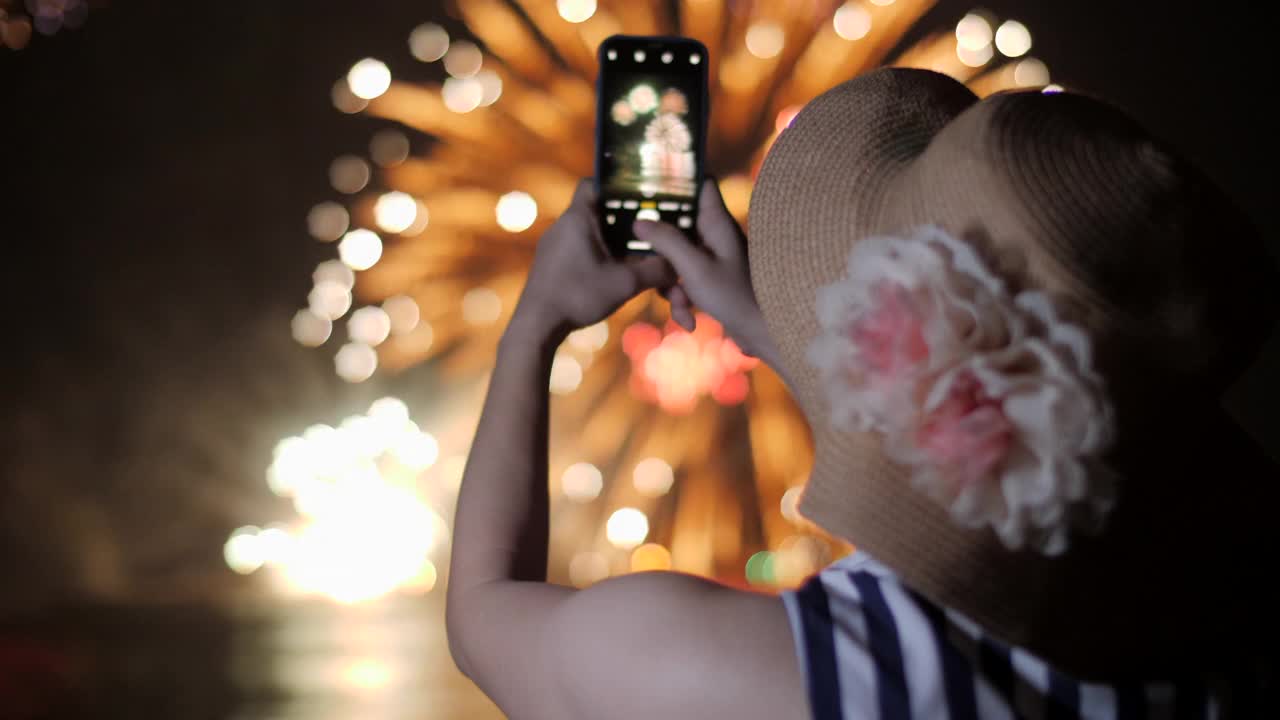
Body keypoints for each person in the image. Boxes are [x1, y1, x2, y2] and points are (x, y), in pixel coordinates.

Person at [445, 68, 1279, 719]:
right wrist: (781, 336)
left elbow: (484, 615)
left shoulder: (738, 667)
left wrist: (536, 325)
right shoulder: (1229, 646)